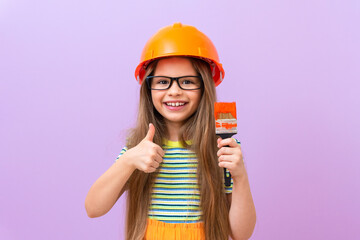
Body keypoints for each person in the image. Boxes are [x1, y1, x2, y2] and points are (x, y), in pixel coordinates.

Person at [85, 23, 256, 240]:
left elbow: (242, 234)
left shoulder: (222, 148)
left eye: (187, 81)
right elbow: (93, 208)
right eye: (163, 82)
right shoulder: (139, 148)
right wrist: (128, 160)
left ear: (204, 88)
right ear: (148, 89)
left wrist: (240, 177)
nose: (174, 91)